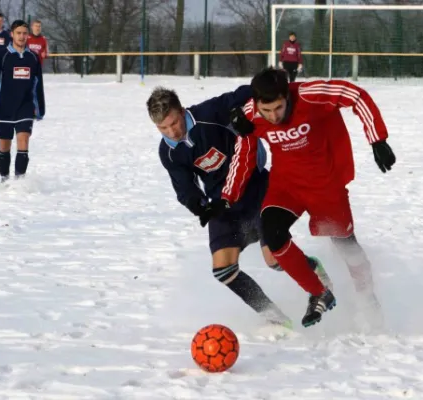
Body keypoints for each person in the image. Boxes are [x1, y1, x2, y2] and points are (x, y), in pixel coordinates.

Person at [212, 68, 396, 328]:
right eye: (267, 111)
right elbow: (243, 157)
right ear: (256, 104)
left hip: (326, 187)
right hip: (286, 187)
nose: (273, 116)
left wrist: (377, 139)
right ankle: (319, 290)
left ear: (287, 95)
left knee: (347, 247)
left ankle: (366, 295)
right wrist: (227, 196)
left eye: (278, 107)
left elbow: (355, 94)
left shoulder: (310, 95)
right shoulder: (250, 116)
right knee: (273, 234)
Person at [146, 86, 331, 329]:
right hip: (222, 204)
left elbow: (248, 92)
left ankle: (315, 272)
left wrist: (268, 88)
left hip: (256, 188)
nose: (172, 131)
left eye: (174, 123)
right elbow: (185, 188)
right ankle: (275, 317)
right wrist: (201, 208)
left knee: (275, 260)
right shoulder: (168, 151)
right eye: (163, 128)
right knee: (223, 270)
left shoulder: (210, 113)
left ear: (182, 111)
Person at [0, 20, 45, 182]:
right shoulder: (2, 55)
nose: (22, 36)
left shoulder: (32, 57)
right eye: (18, 33)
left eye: (25, 33)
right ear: (12, 34)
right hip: (4, 107)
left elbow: (37, 84)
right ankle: (4, 180)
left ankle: (19, 182)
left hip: (25, 107)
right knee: (4, 148)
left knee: (23, 141)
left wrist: (40, 109)